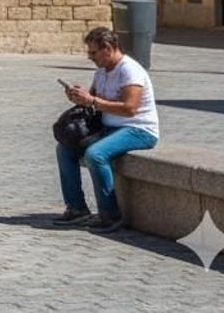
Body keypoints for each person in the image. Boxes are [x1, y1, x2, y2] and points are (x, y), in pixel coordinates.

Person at [53, 26, 160, 233]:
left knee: (96, 154)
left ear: (108, 49)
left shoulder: (129, 70)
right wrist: (79, 97)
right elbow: (94, 101)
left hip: (138, 129)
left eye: (93, 52)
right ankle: (76, 208)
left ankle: (109, 214)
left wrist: (92, 100)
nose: (90, 57)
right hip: (109, 127)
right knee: (64, 150)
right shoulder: (102, 71)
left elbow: (130, 109)